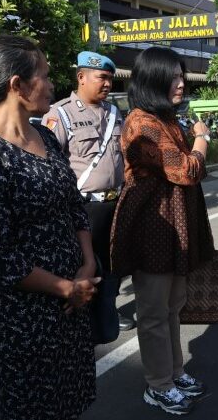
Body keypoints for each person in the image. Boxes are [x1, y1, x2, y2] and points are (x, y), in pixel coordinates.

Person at [0, 35, 99, 419]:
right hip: (25, 315)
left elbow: (73, 205)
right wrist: (66, 287)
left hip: (72, 303)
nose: (51, 85)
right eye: (44, 76)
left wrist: (86, 265)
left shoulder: (45, 135)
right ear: (17, 85)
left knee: (70, 398)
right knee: (32, 405)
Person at [110, 47, 213, 415]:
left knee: (171, 307)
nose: (182, 83)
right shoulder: (144, 123)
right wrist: (202, 140)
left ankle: (173, 371)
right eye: (174, 76)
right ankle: (158, 385)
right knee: (154, 312)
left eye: (182, 75)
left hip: (172, 223)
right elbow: (185, 170)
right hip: (152, 225)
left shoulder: (164, 119)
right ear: (153, 79)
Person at [42, 51, 135, 333]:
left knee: (111, 262)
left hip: (114, 202)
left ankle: (108, 309)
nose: (108, 84)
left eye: (110, 78)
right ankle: (81, 313)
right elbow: (49, 161)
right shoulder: (60, 114)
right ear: (81, 77)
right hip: (84, 208)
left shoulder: (114, 112)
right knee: (84, 263)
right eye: (102, 78)